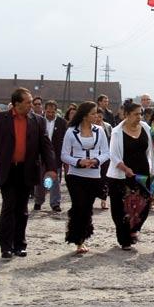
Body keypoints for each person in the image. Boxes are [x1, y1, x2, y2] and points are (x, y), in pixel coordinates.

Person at [0, 88, 57, 259]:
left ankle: (20, 245)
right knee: (8, 207)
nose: (32, 105)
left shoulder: (37, 121)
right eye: (28, 102)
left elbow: (46, 146)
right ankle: (6, 247)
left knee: (22, 209)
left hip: (27, 170)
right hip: (7, 170)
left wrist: (51, 168)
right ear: (17, 104)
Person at [106, 99, 154, 249]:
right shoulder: (117, 132)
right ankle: (124, 239)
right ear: (126, 115)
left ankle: (135, 229)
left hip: (142, 172)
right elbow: (113, 155)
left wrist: (152, 169)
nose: (139, 117)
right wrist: (125, 169)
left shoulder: (145, 128)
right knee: (121, 208)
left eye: (140, 114)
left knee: (144, 204)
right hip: (121, 174)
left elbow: (150, 151)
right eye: (135, 114)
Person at [62, 101, 110, 255]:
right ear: (84, 116)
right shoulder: (71, 131)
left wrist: (96, 161)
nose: (97, 116)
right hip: (76, 175)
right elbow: (64, 154)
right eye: (93, 113)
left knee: (87, 208)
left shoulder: (100, 131)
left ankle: (83, 236)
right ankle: (77, 239)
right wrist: (78, 161)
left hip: (94, 175)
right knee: (79, 206)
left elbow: (106, 153)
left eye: (97, 113)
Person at [34, 100, 67, 212]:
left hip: (55, 156)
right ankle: (38, 201)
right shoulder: (39, 121)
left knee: (54, 180)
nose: (50, 114)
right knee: (40, 180)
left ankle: (55, 203)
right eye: (48, 112)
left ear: (56, 111)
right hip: (41, 155)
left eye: (53, 112)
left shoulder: (62, 123)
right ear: (45, 110)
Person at [94, 107, 113, 209]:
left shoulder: (108, 127)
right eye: (96, 116)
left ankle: (104, 200)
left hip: (106, 156)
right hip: (93, 156)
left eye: (100, 117)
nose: (98, 119)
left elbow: (112, 141)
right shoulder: (89, 127)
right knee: (94, 178)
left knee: (105, 179)